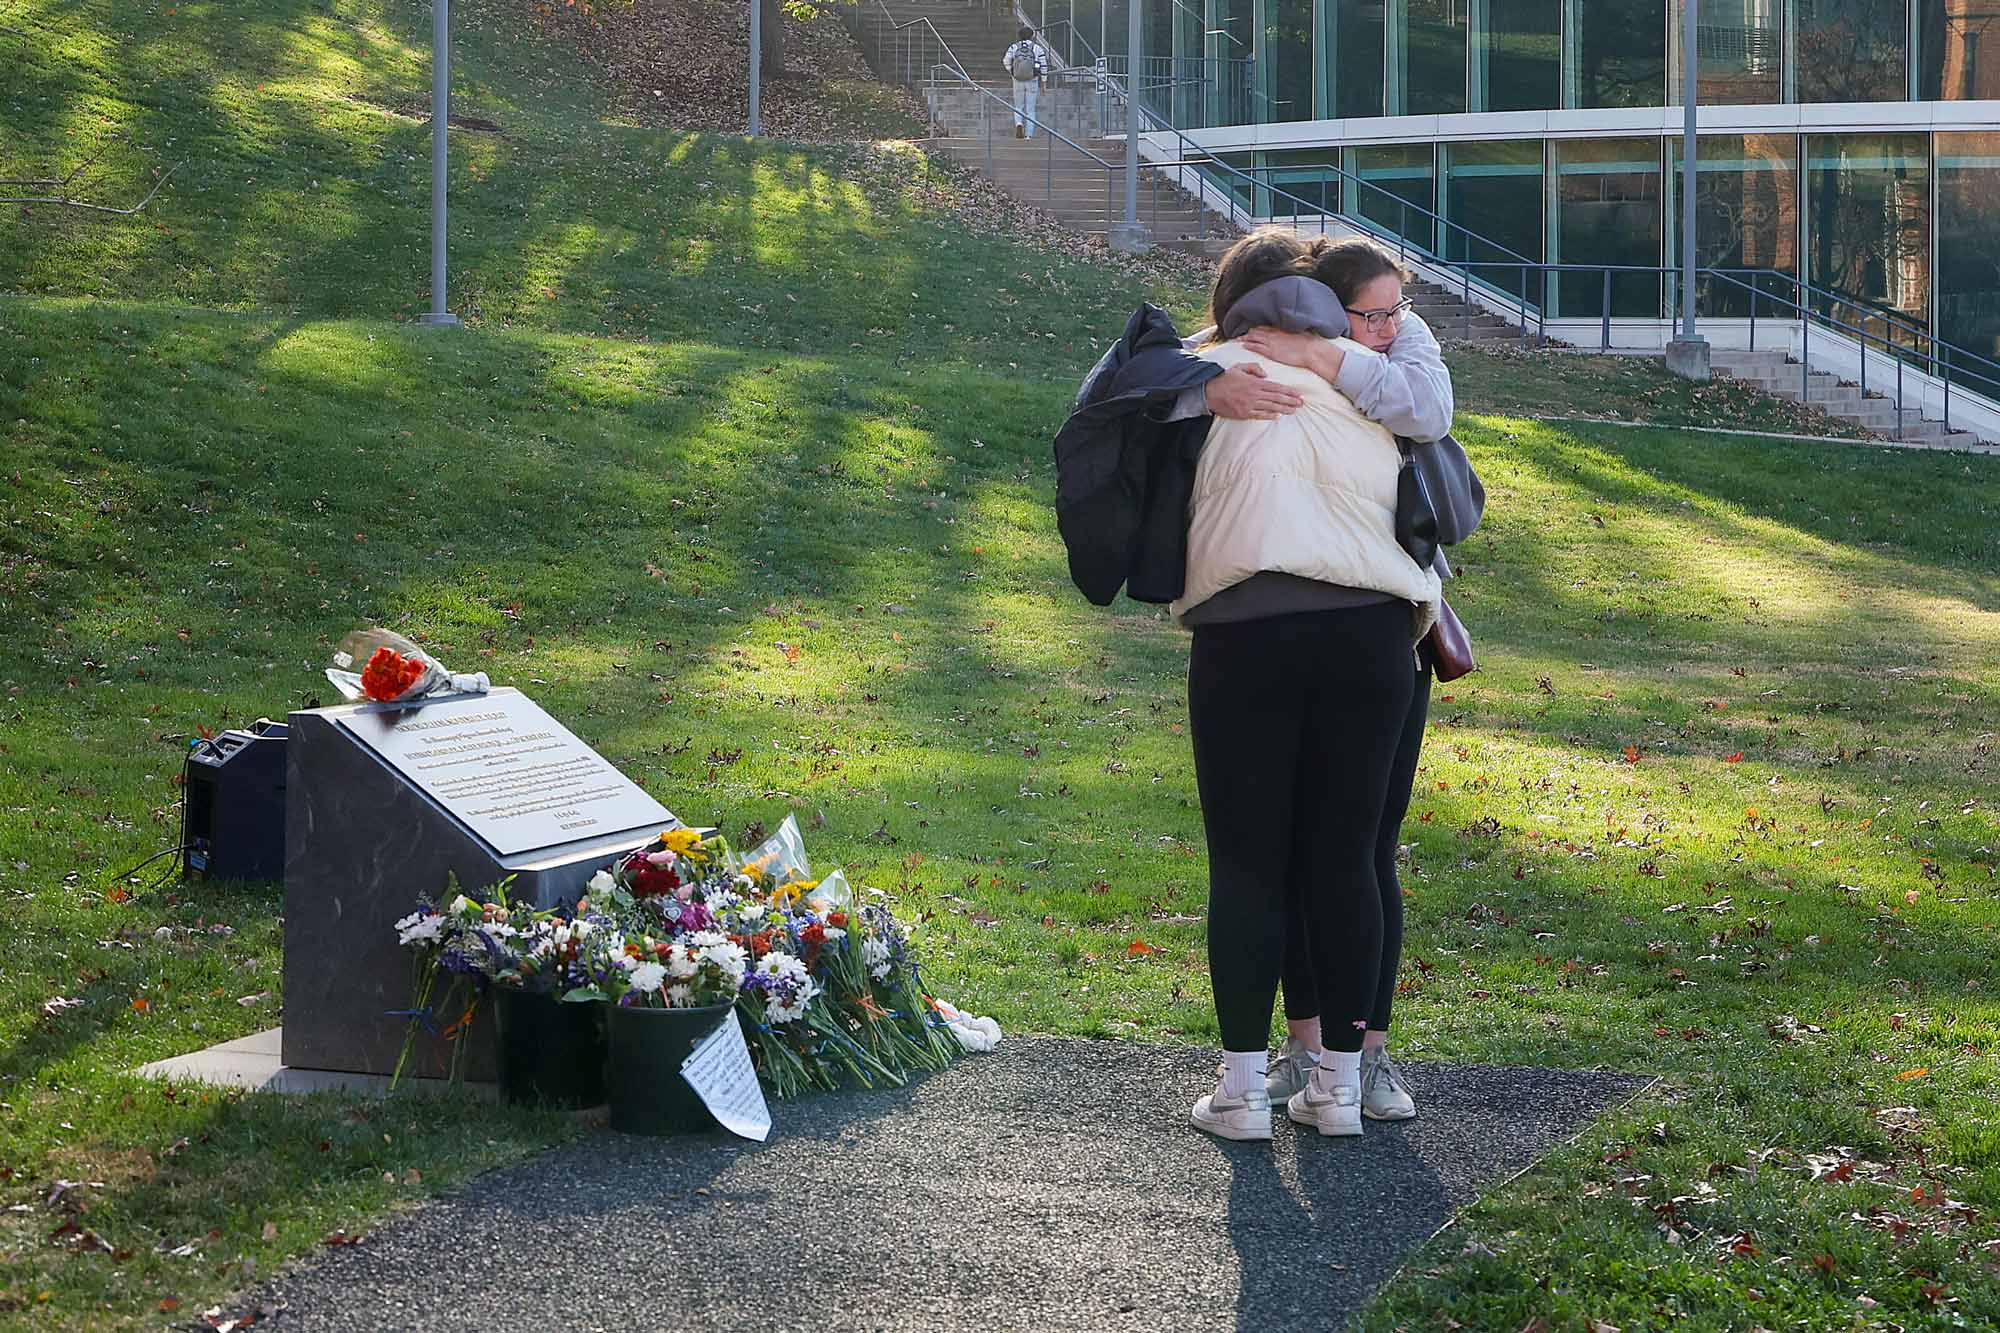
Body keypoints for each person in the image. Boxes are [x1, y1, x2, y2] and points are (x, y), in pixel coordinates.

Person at [1175, 229, 1444, 1142]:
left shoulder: (1205, 370)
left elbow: (1103, 399)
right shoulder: (1369, 381)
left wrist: (1205, 383)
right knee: (1349, 856)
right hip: (1372, 632)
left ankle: (1244, 1089)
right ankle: (1339, 1084)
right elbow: (1429, 413)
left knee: (1249, 863)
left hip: (1247, 626)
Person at [1001, 26, 1049, 139]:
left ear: (1019, 36)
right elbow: (1044, 66)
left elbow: (1005, 60)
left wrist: (1012, 71)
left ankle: (1019, 124)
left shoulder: (1014, 47)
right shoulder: (1037, 48)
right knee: (1031, 109)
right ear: (1032, 36)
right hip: (1032, 79)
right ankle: (1028, 135)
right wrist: (1044, 82)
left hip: (1017, 79)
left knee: (1018, 106)